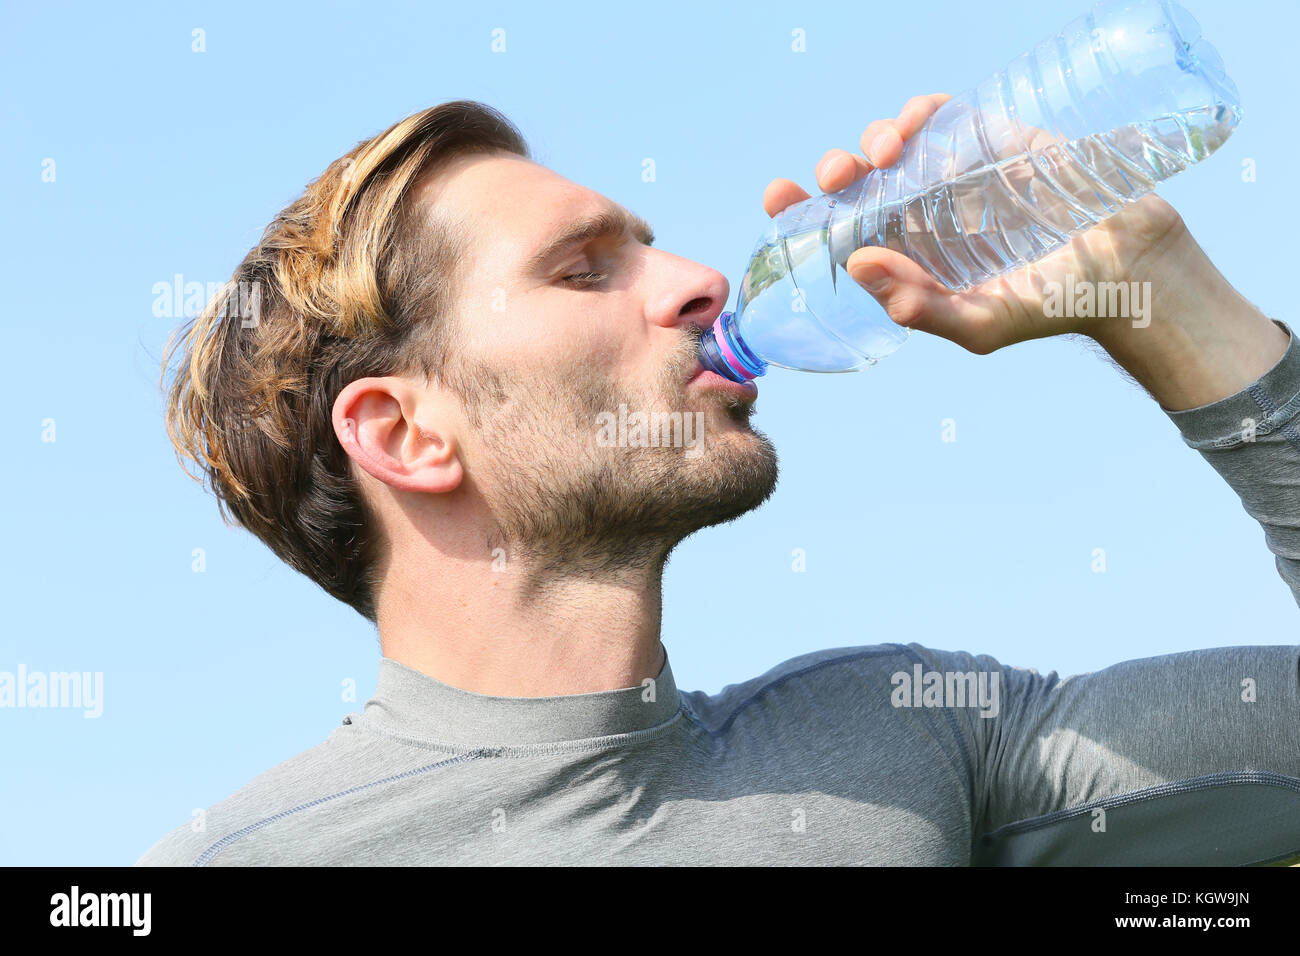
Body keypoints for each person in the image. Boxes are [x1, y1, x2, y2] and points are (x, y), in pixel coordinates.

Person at [139, 94, 1300, 865]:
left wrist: (1165, 299)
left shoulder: (904, 737)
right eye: (582, 271)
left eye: (650, 247)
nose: (698, 280)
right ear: (405, 432)